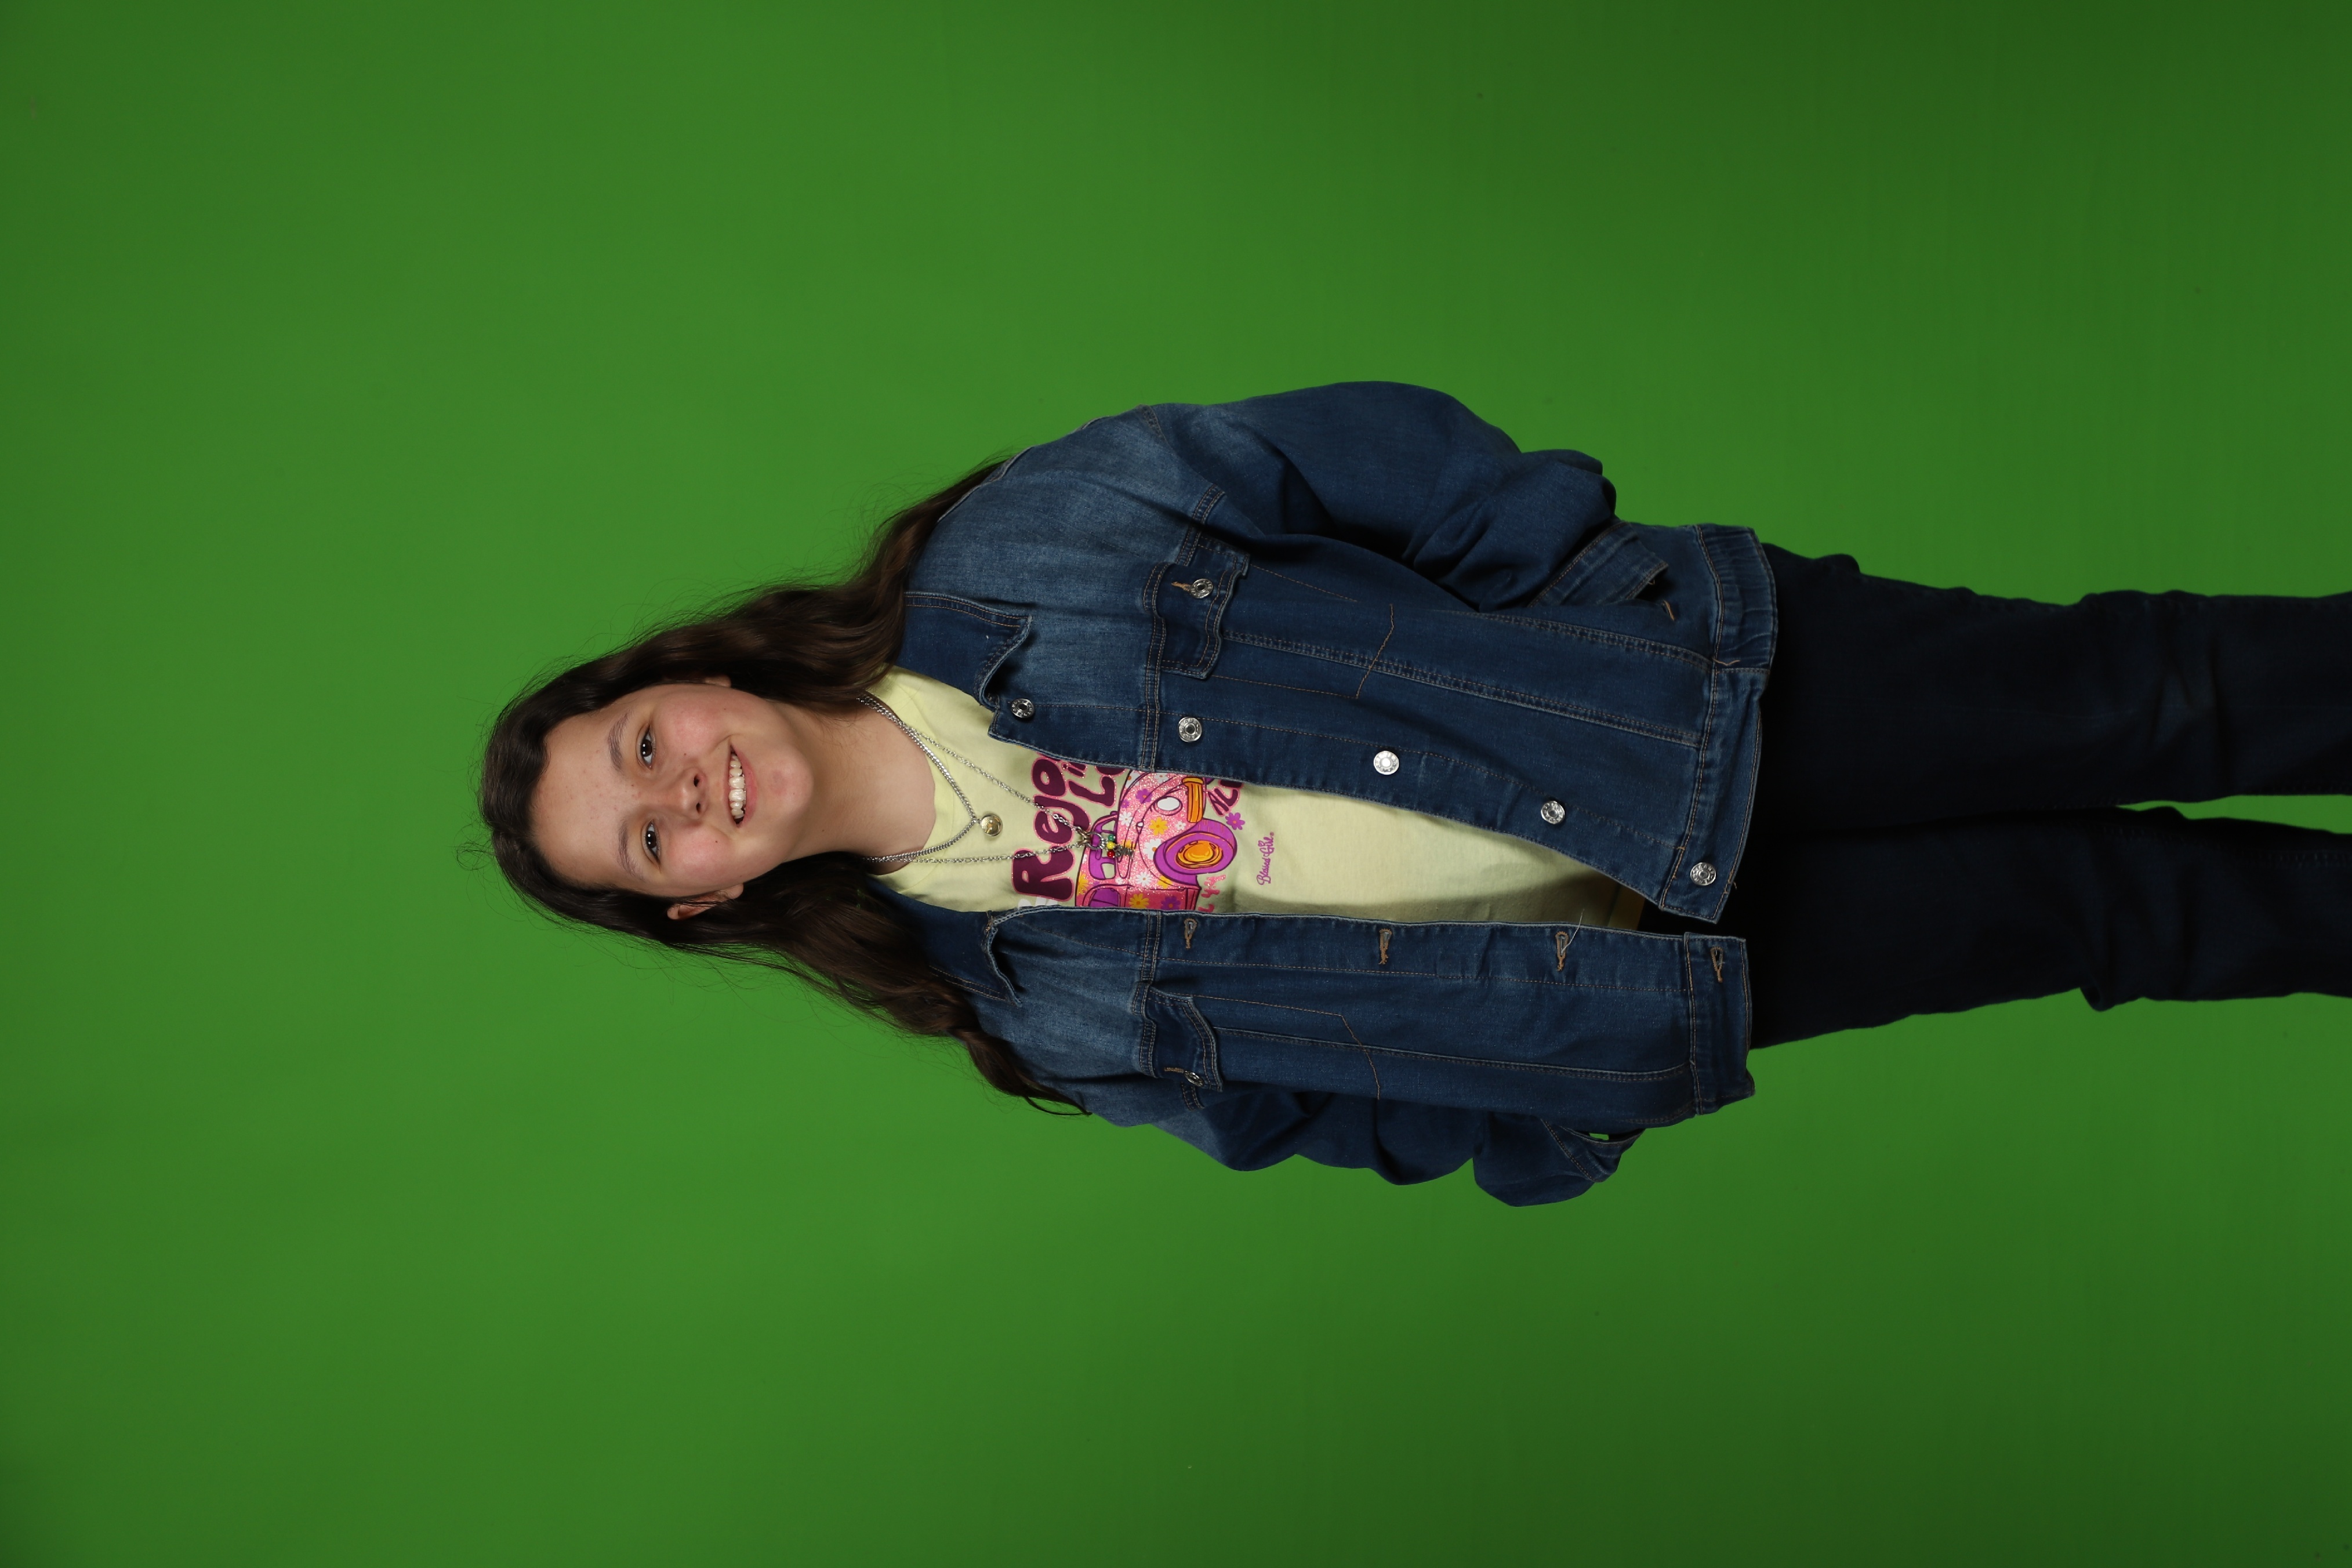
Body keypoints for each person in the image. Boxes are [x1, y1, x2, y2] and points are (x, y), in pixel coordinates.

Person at [481, 383, 2352, 1206]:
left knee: (2152, 697)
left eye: (645, 744)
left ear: (691, 674)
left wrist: (1584, 587)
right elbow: (1322, 1117)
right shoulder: (1032, 1013)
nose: (689, 787)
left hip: (1693, 696)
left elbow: (1359, 455)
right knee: (2125, 922)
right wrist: (1555, 1107)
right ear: (703, 900)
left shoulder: (1024, 545)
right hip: (1663, 952)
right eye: (652, 840)